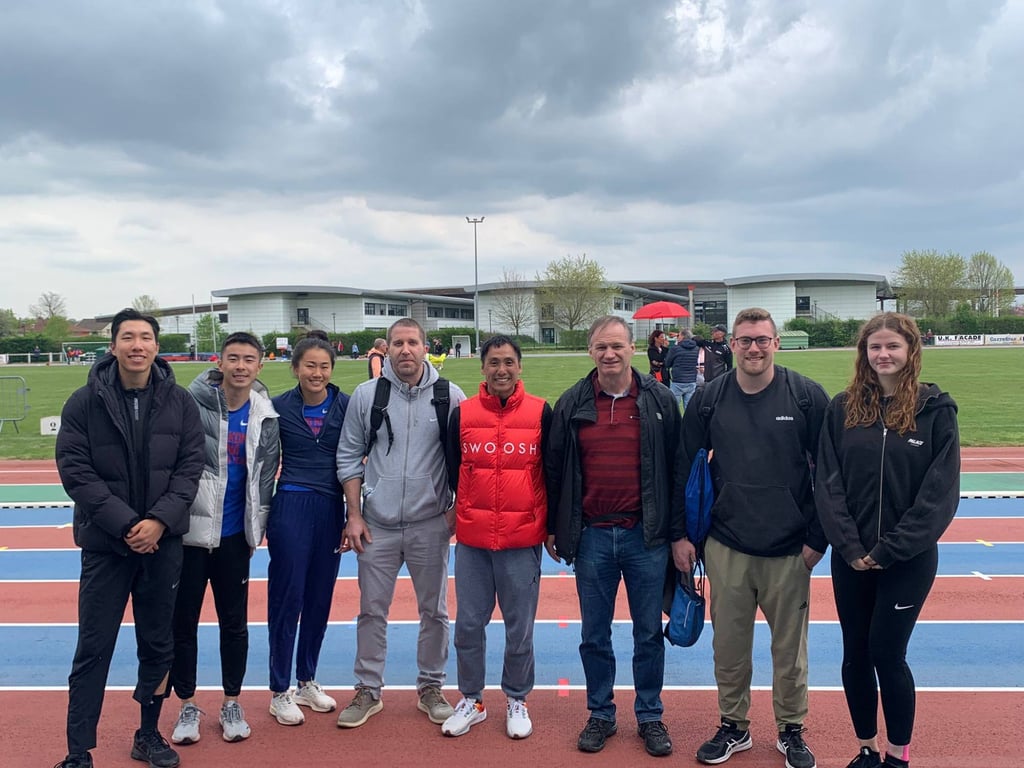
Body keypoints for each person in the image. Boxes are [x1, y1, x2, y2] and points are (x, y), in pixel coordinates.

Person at [677, 307, 829, 768]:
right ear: (731, 345)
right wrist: (684, 536)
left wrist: (817, 540)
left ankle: (791, 729)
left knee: (790, 651)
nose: (753, 348)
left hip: (789, 548)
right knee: (729, 646)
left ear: (775, 343)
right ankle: (734, 726)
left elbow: (831, 473)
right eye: (745, 340)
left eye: (762, 339)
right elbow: (686, 466)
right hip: (727, 544)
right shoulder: (708, 398)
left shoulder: (806, 397)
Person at [54, 307, 204, 768]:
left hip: (164, 545)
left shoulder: (180, 402)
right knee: (93, 646)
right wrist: (125, 524)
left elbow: (189, 468)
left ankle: (148, 734)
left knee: (158, 644)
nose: (137, 345)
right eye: (127, 337)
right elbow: (75, 471)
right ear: (114, 345)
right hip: (106, 546)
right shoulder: (83, 402)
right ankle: (78, 751)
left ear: (157, 346)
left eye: (145, 337)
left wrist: (158, 521)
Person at [816, 313, 960, 768]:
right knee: (854, 653)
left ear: (911, 351)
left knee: (887, 652)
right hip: (851, 557)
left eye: (892, 347)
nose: (883, 355)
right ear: (864, 353)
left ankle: (898, 754)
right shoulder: (842, 408)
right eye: (875, 347)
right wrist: (852, 547)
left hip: (907, 559)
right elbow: (828, 481)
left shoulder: (935, 411)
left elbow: (940, 494)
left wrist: (888, 549)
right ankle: (867, 748)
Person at [545, 315, 685, 758]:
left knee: (648, 633)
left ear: (633, 349)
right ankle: (601, 713)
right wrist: (555, 526)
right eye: (601, 347)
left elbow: (677, 471)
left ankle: (649, 715)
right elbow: (553, 470)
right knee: (595, 634)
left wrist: (677, 533)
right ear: (591, 351)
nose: (610, 354)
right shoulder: (571, 402)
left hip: (646, 536)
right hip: (591, 538)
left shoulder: (660, 400)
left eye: (617, 346)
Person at [335, 317, 466, 728]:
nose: (405, 350)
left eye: (413, 342)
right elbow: (348, 456)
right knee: (372, 611)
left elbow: (467, 460)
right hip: (378, 524)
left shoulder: (451, 396)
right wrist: (353, 515)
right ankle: (368, 690)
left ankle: (431, 686)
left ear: (426, 347)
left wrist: (455, 509)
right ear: (386, 349)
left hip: (431, 523)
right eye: (397, 343)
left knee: (436, 612)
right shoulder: (367, 395)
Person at [169, 332, 280, 745]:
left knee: (234, 624)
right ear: (220, 360)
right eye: (233, 358)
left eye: (248, 359)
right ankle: (187, 704)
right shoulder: (188, 403)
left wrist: (258, 527)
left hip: (236, 537)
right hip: (191, 536)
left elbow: (265, 475)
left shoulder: (266, 412)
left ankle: (232, 701)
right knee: (184, 624)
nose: (240, 366)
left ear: (259, 365)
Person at [440, 335, 552, 740]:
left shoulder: (541, 412)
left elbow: (550, 473)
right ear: (482, 368)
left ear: (519, 366)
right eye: (493, 363)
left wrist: (549, 526)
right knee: (469, 625)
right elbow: (455, 471)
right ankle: (472, 699)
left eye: (508, 362)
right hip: (473, 539)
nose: (501, 369)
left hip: (522, 539)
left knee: (519, 627)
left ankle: (517, 699)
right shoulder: (462, 414)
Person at [266, 330, 350, 726]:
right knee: (288, 598)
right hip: (291, 507)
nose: (317, 373)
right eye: (309, 366)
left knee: (320, 598)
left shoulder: (348, 406)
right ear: (295, 367)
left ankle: (306, 680)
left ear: (332, 369)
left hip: (331, 508)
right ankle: (279, 689)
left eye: (324, 366)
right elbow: (262, 462)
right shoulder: (277, 406)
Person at [664, 328, 700, 408]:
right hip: (691, 379)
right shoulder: (696, 348)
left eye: (679, 335)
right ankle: (688, 420)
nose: (677, 337)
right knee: (689, 406)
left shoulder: (675, 348)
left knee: (673, 406)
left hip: (678, 380)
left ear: (683, 336)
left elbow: (667, 363)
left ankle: (675, 420)